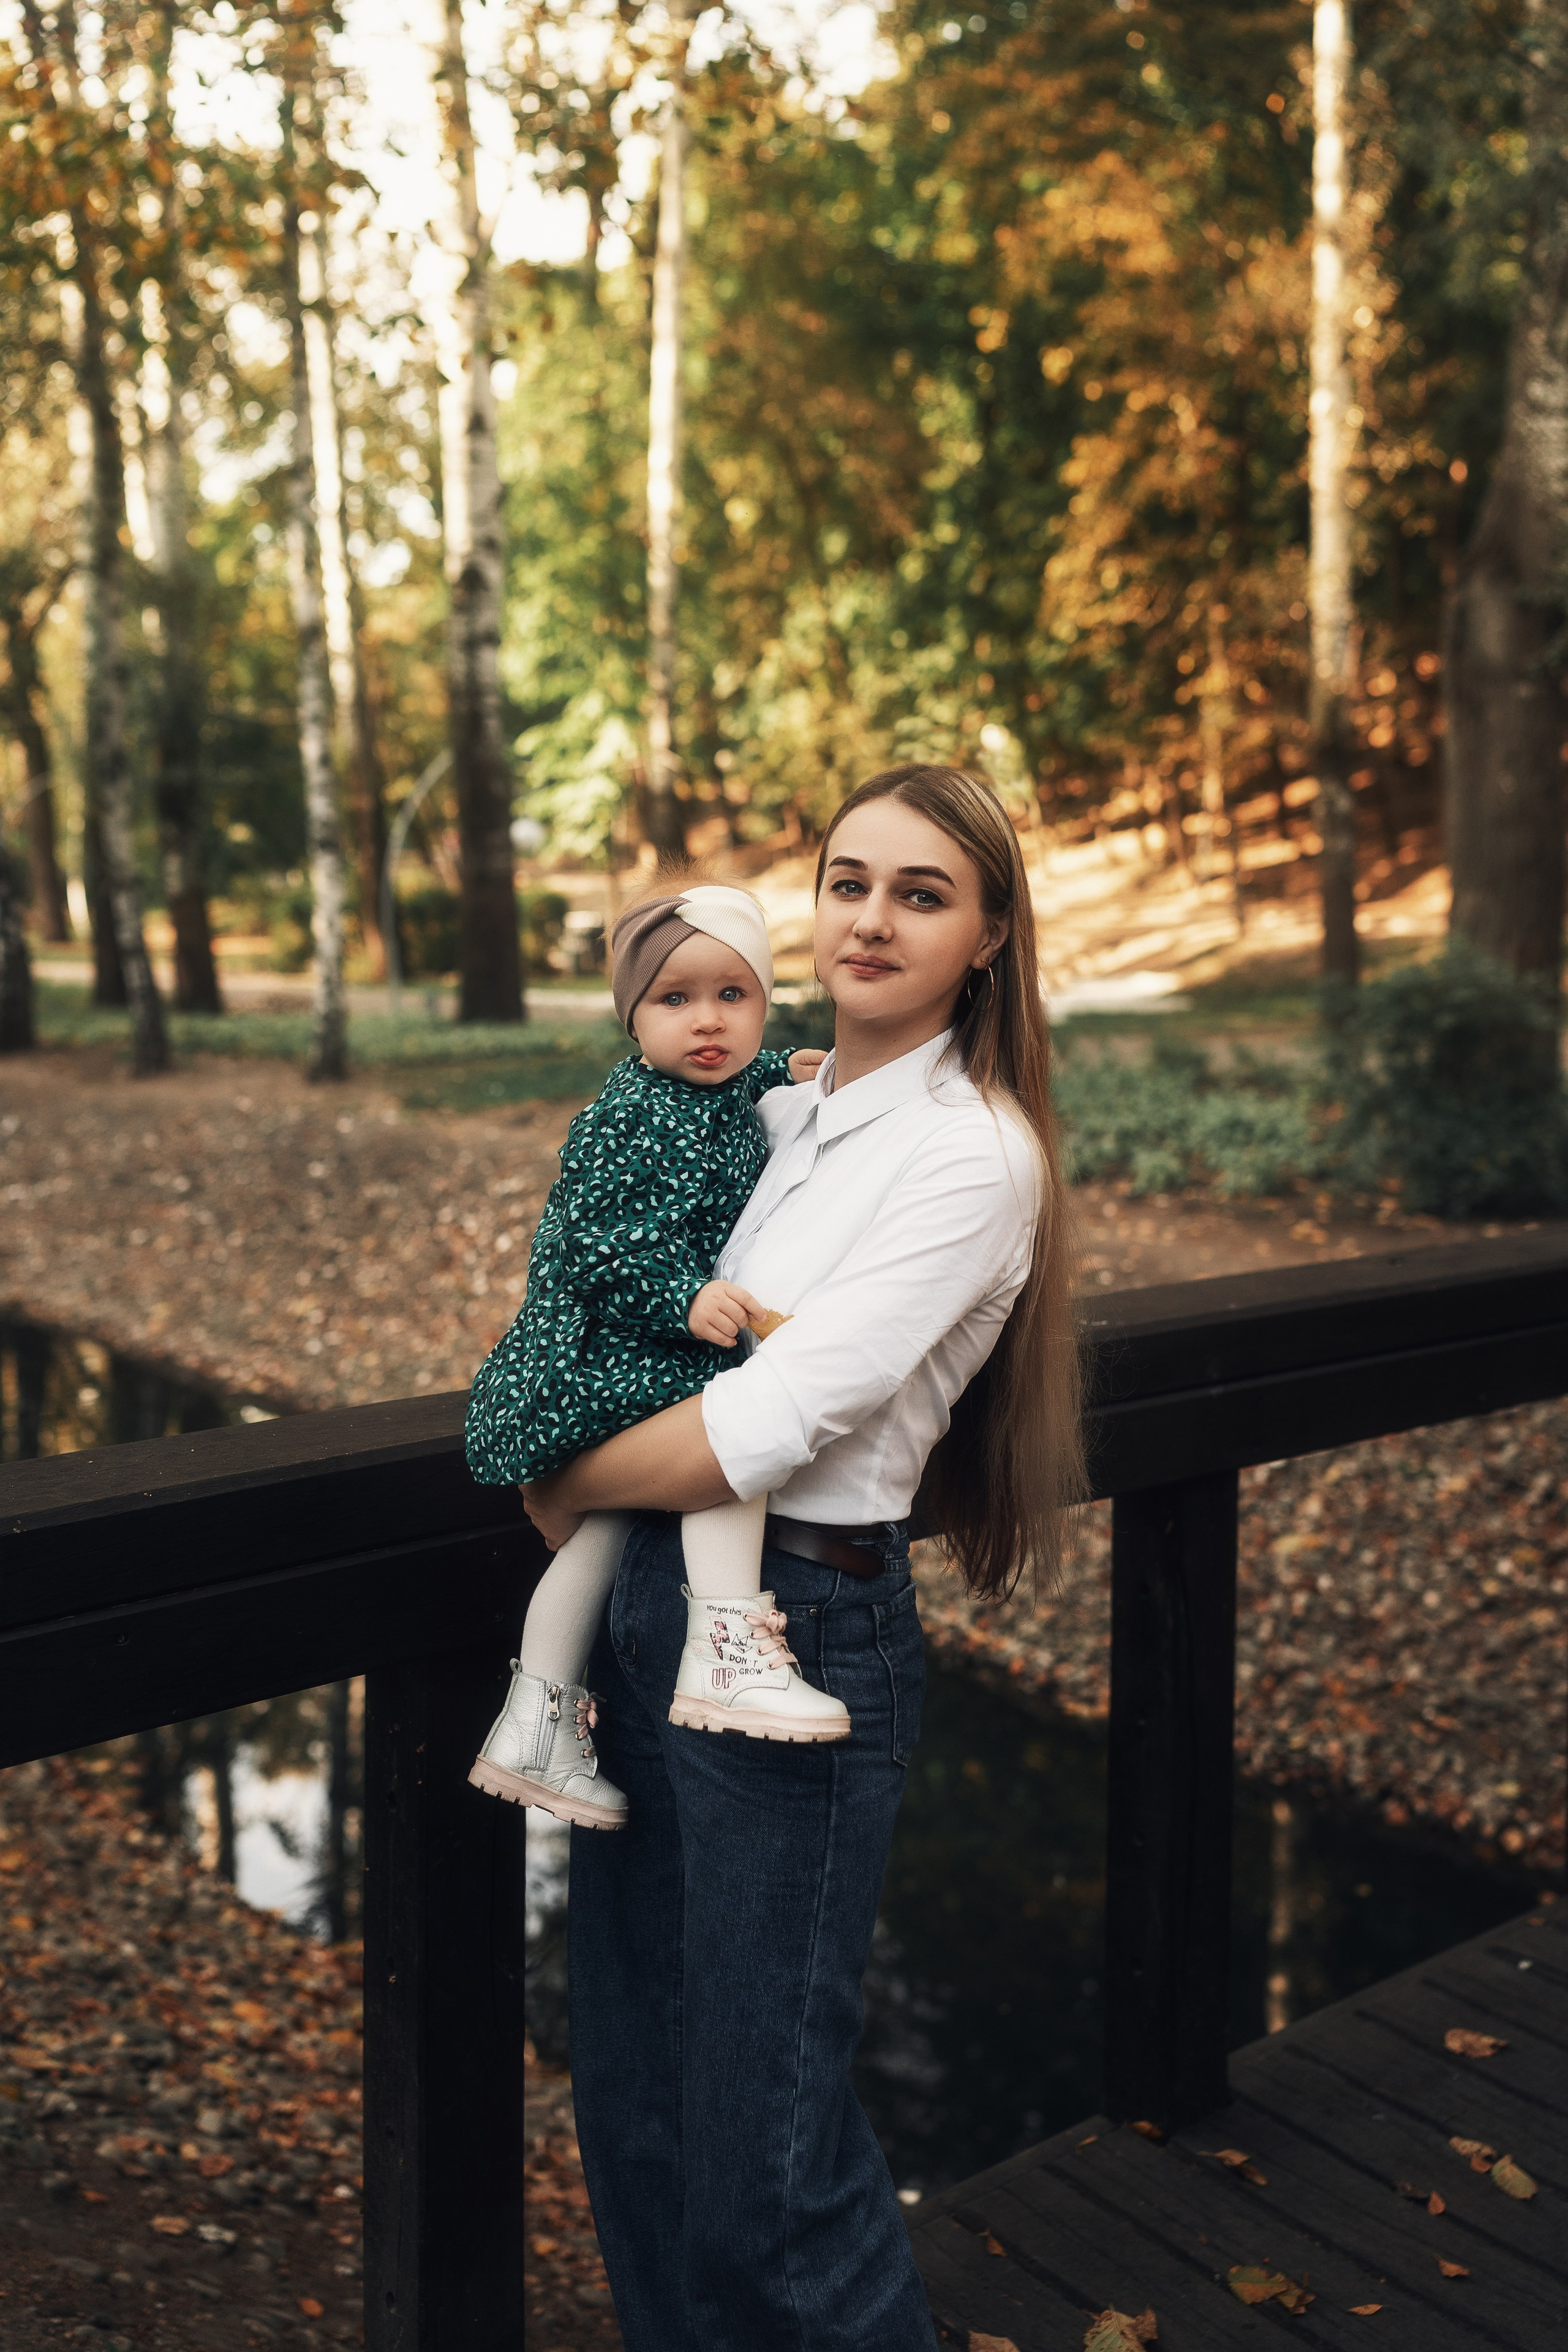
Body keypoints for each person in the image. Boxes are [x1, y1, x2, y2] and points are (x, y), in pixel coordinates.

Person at [522, 766, 1085, 2352]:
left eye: (923, 893)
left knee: (767, 2169)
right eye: (850, 881)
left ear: (986, 937)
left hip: (802, 1629)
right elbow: (622, 1291)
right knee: (632, 2104)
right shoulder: (774, 1102)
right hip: (653, 1610)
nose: (873, 917)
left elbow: (758, 1427)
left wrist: (548, 1466)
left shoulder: (972, 1155)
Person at [464, 883, 845, 1834]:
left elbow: (743, 1094)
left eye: (735, 996)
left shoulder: (725, 1088)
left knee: (606, 1530)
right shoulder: (629, 1115)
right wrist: (682, 1297)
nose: (708, 1023)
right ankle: (727, 1641)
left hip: (634, 1351)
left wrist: (787, 1074)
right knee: (735, 1428)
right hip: (601, 1350)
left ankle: (536, 1724)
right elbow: (590, 1245)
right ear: (632, 1015)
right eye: (674, 1001)